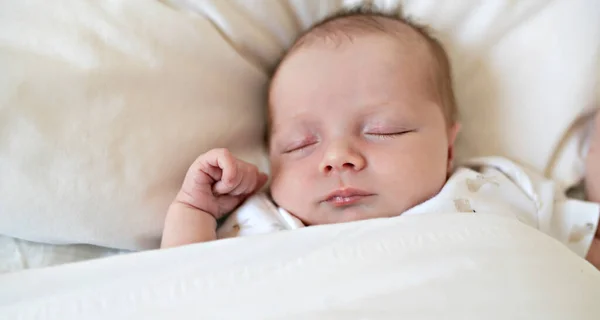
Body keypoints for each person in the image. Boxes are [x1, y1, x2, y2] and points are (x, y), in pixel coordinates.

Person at [160, 7, 600, 269]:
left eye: (382, 131)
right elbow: (185, 287)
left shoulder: (501, 189)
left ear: (449, 147)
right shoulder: (266, 222)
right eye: (300, 145)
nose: (337, 158)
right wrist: (195, 211)